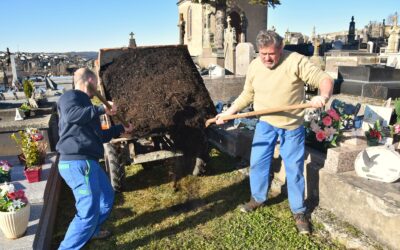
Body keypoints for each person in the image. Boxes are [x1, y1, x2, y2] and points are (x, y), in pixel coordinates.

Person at [216, 30, 333, 234]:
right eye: (263, 54)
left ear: (280, 49)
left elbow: (323, 79)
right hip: (265, 124)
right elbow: (247, 94)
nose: (267, 58)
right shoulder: (254, 66)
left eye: (271, 53)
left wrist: (322, 96)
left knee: (294, 168)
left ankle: (299, 211)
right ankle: (257, 198)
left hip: (291, 126)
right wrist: (229, 112)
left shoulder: (295, 61)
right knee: (258, 162)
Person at [56, 68, 133, 249]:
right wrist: (101, 108)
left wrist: (121, 128)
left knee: (106, 197)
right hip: (76, 162)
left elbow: (99, 136)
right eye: (97, 82)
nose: (98, 86)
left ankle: (92, 230)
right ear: (89, 80)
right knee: (88, 210)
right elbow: (72, 115)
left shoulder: (86, 106)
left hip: (89, 162)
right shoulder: (71, 97)